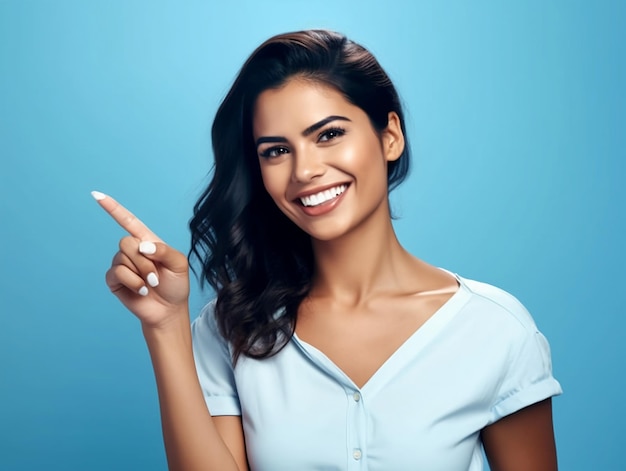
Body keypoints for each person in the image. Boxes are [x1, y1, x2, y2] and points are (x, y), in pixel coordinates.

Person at [93, 29, 562, 471]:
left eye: (329, 134)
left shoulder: (493, 329)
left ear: (390, 136)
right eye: (275, 151)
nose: (304, 171)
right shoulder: (231, 327)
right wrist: (164, 326)